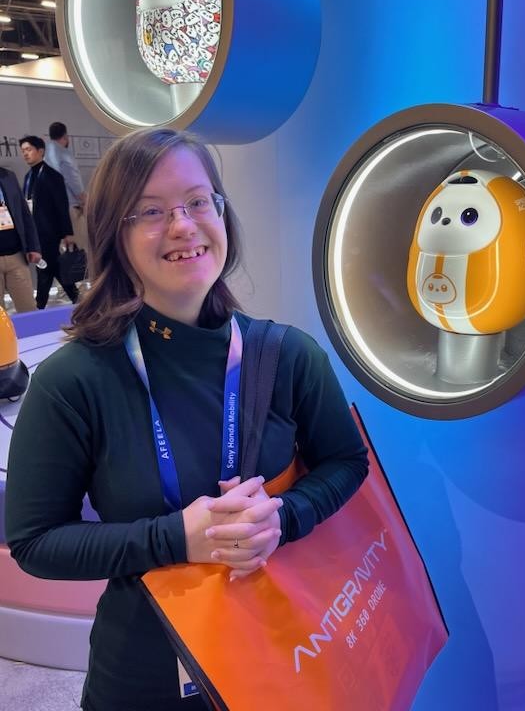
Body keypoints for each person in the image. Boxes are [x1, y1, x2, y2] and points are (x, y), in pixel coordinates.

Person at [5, 128, 369, 711]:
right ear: (113, 234)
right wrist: (177, 537)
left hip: (285, 654)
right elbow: (35, 542)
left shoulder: (287, 356)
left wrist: (285, 517)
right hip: (146, 674)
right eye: (149, 211)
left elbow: (347, 461)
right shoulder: (74, 381)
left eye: (199, 202)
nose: (183, 226)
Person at [19, 135, 79, 309]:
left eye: (29, 150)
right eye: (23, 151)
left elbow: (62, 206)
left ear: (40, 151)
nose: (25, 154)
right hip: (35, 232)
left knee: (44, 268)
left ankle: (40, 306)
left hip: (49, 233)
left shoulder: (52, 176)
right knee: (53, 268)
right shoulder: (28, 177)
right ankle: (76, 297)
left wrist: (67, 233)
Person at [0, 165, 41, 312]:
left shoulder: (8, 176)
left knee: (28, 308)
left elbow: (24, 214)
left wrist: (33, 247)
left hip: (16, 255)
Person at [45, 121, 88, 251]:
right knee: (79, 246)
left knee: (60, 248)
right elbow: (73, 181)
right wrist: (85, 201)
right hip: (69, 208)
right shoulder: (64, 154)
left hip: (50, 210)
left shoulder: (44, 154)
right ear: (65, 136)